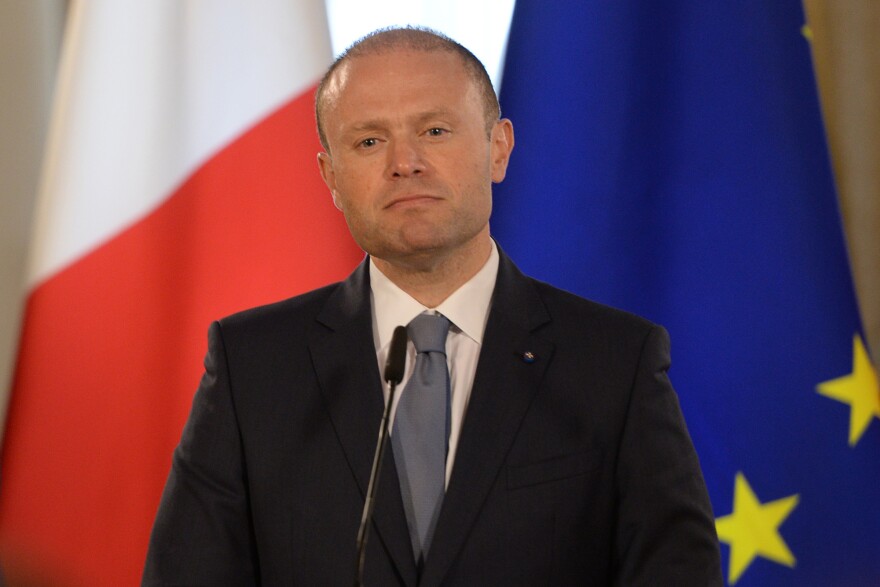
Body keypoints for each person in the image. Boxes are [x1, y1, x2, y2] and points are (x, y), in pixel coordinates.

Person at [143, 27, 722, 586]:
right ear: (332, 180)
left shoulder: (614, 363)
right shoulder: (254, 369)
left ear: (498, 148)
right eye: (370, 141)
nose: (405, 162)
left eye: (436, 130)